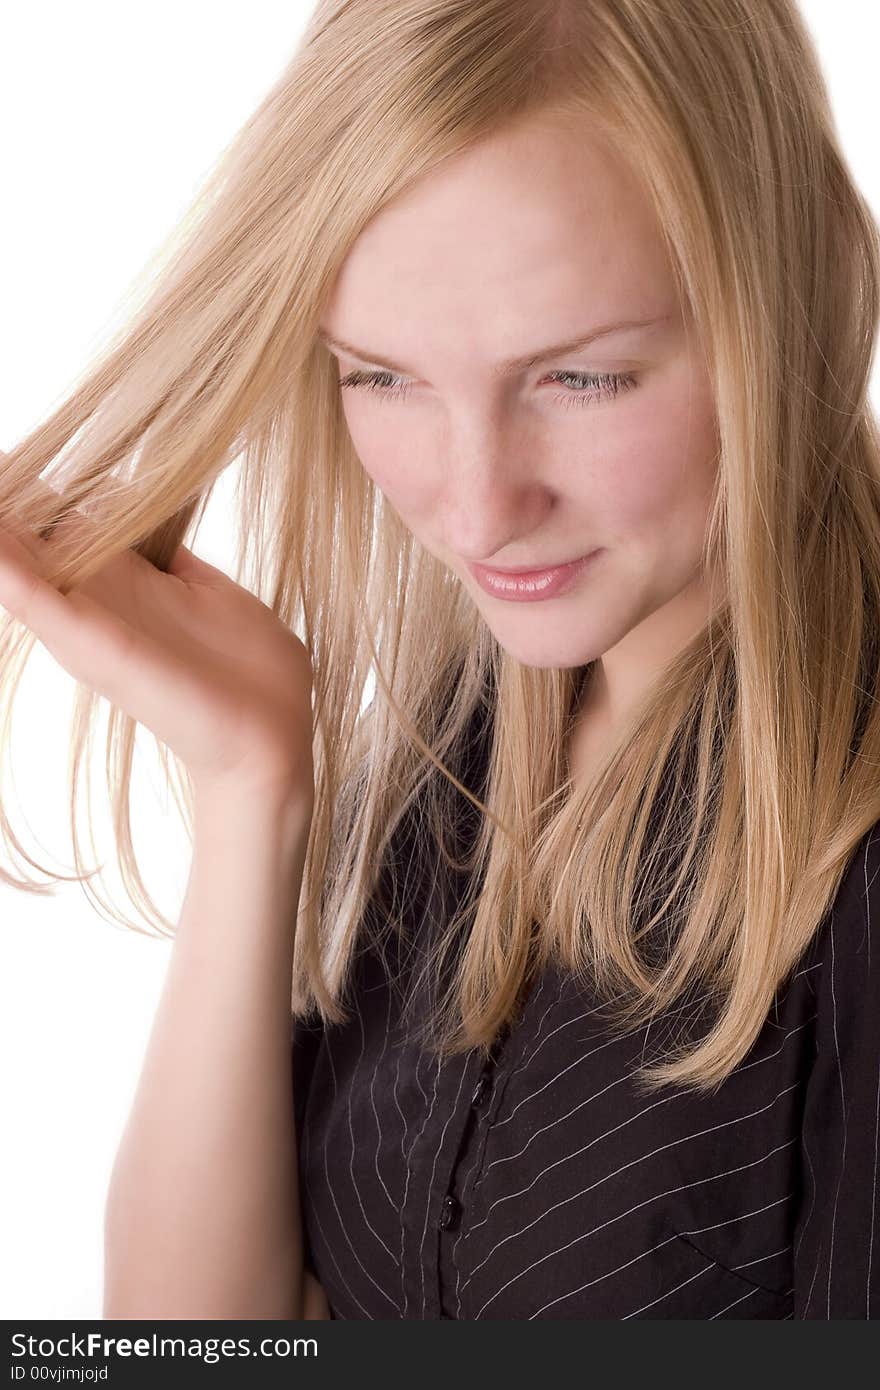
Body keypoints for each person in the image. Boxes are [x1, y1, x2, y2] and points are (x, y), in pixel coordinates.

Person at [0, 0, 878, 1320]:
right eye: (380, 376)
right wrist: (255, 789)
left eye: (582, 379)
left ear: (804, 289)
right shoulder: (467, 752)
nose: (473, 512)